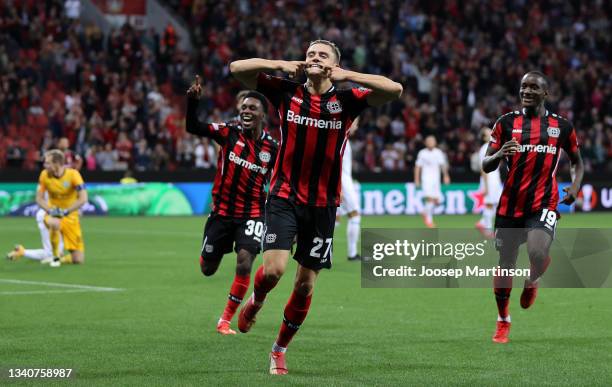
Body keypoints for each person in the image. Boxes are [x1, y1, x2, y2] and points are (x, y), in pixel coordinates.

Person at [230, 39, 402, 374]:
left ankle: (279, 349)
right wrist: (279, 64)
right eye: (310, 54)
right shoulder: (286, 91)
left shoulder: (346, 100)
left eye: (322, 55)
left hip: (323, 204)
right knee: (275, 270)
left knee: (305, 284)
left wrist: (347, 75)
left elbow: (394, 89)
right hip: (284, 195)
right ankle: (258, 298)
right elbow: (236, 69)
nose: (314, 58)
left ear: (334, 64)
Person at [482, 71, 583, 344]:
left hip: (544, 201)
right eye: (523, 86)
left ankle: (533, 279)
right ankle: (503, 319)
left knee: (539, 251)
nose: (526, 91)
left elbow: (577, 161)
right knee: (505, 265)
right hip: (510, 205)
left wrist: (574, 187)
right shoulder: (506, 123)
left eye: (533, 87)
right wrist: (500, 153)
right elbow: (485, 164)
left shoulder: (561, 127)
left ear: (545, 93)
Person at [186, 75, 278, 336]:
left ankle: (225, 320)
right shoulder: (228, 132)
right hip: (222, 213)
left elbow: (284, 178)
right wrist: (192, 102)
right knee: (207, 268)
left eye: (252, 108)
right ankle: (213, 253)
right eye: (244, 107)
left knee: (245, 262)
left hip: (252, 214)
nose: (246, 111)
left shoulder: (273, 148)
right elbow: (194, 126)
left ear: (263, 115)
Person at [14, 150, 88, 266]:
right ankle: (55, 257)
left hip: (70, 216)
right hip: (53, 213)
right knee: (54, 222)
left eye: (48, 163)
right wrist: (50, 210)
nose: (45, 165)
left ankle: (61, 258)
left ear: (57, 164)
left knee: (78, 259)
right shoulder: (44, 175)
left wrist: (67, 211)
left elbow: (83, 198)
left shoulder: (73, 175)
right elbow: (39, 198)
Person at [414, 136, 450, 228]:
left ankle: (424, 212)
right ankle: (429, 221)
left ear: (435, 142)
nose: (430, 143)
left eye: (432, 141)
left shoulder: (438, 152)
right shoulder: (422, 153)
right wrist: (417, 180)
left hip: (436, 180)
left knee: (438, 200)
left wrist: (446, 175)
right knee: (429, 199)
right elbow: (418, 167)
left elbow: (443, 165)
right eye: (428, 141)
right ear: (425, 143)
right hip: (426, 179)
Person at [340, 118, 362, 261]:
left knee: (333, 218)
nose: (357, 126)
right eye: (355, 122)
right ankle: (352, 253)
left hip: (342, 181)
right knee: (355, 215)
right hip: (341, 181)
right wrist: (339, 188)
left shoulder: (342, 138)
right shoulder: (341, 138)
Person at [476, 127, 502, 238]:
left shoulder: (492, 147)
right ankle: (487, 228)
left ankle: (482, 223)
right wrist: (485, 186)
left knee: (497, 203)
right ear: (484, 137)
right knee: (490, 204)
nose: (491, 134)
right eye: (488, 134)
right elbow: (483, 168)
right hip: (489, 180)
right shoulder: (484, 149)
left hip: (495, 179)